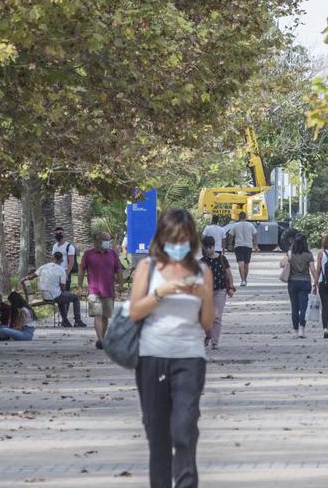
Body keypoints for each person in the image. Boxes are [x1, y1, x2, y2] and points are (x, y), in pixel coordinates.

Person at [129, 208, 214, 488]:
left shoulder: (202, 271)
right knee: (158, 435)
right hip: (152, 356)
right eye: (173, 239)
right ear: (162, 238)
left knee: (184, 428)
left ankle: (187, 482)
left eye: (184, 239)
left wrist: (204, 296)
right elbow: (135, 312)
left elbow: (206, 323)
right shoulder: (147, 268)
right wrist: (161, 292)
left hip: (189, 357)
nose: (178, 245)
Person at [78, 231, 123, 349]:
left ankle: (103, 338)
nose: (108, 243)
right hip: (94, 290)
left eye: (109, 240)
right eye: (105, 240)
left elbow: (118, 269)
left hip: (109, 290)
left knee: (105, 317)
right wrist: (79, 286)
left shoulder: (112, 254)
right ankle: (100, 339)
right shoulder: (88, 254)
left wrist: (121, 284)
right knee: (98, 314)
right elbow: (81, 270)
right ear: (97, 241)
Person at [21, 251, 84, 328]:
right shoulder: (61, 270)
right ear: (61, 260)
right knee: (75, 297)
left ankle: (65, 321)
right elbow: (63, 288)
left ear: (52, 258)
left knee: (62, 297)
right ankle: (77, 321)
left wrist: (25, 278)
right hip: (55, 296)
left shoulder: (43, 267)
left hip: (45, 295)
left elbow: (32, 276)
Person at [199, 235, 235, 349]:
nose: (209, 250)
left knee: (217, 316)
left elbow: (229, 274)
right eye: (207, 248)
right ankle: (208, 335)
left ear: (214, 246)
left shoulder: (222, 259)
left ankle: (215, 342)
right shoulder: (202, 262)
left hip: (220, 290)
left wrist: (230, 287)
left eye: (211, 247)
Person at [280, 233, 315, 338]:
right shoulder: (309, 255)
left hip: (292, 283)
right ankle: (302, 330)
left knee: (294, 308)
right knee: (303, 307)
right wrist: (317, 281)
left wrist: (288, 255)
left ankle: (295, 331)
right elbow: (313, 269)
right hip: (305, 282)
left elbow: (281, 264)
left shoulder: (290, 253)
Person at [225, 211, 258, 287]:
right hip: (248, 246)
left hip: (238, 246)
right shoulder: (250, 225)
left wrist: (229, 244)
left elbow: (230, 235)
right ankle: (244, 280)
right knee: (246, 264)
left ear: (239, 217)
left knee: (241, 264)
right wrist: (255, 245)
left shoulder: (235, 225)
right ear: (245, 217)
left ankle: (243, 280)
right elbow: (255, 234)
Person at [51, 226, 77, 290]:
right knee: (56, 291)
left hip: (64, 271)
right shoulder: (54, 246)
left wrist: (66, 274)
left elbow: (71, 262)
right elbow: (53, 258)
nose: (58, 235)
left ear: (64, 234)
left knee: (65, 292)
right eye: (56, 234)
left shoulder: (69, 246)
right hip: (55, 272)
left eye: (60, 233)